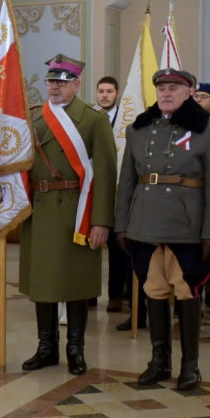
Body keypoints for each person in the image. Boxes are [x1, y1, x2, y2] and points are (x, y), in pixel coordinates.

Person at [116, 68, 210, 391]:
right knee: (153, 288)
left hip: (188, 226)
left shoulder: (209, 130)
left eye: (174, 88)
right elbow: (126, 183)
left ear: (189, 92)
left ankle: (190, 365)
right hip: (145, 224)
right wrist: (122, 224)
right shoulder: (139, 129)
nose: (166, 93)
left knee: (185, 289)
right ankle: (159, 361)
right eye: (162, 87)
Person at [18, 56, 115, 376]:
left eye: (61, 82)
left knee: (76, 282)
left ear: (76, 85)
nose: (54, 87)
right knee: (42, 282)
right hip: (41, 211)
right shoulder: (34, 117)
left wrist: (101, 220)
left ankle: (75, 348)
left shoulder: (92, 119)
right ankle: (46, 347)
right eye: (50, 82)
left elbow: (104, 171)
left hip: (79, 211)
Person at [93, 75, 131, 316]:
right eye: (101, 91)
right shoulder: (89, 117)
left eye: (109, 91)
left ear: (117, 94)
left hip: (118, 188)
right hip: (93, 188)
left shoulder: (127, 120)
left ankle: (117, 295)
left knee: (118, 246)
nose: (104, 95)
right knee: (88, 245)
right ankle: (87, 293)